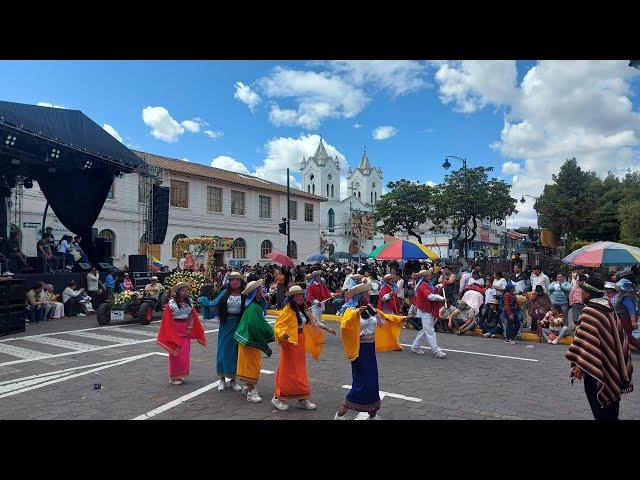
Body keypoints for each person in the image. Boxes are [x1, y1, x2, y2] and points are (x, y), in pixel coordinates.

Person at [565, 277, 633, 420]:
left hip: (594, 367)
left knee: (599, 408)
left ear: (588, 293)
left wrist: (580, 365)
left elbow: (586, 343)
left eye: (583, 290)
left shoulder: (590, 311)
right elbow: (615, 338)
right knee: (611, 406)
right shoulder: (608, 307)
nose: (581, 292)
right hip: (611, 364)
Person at [334, 283, 399, 420]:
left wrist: (396, 319)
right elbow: (345, 326)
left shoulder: (370, 309)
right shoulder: (350, 310)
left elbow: (382, 323)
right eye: (366, 294)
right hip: (359, 349)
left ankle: (372, 412)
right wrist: (356, 313)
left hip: (370, 348)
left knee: (372, 380)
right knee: (361, 381)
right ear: (360, 297)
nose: (369, 296)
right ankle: (341, 412)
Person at [272, 285, 336, 411]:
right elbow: (278, 326)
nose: (300, 297)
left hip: (300, 342)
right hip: (290, 343)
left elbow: (313, 321)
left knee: (300, 370)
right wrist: (282, 334)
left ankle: (302, 398)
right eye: (297, 295)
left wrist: (326, 328)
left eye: (301, 295)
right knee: (287, 371)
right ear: (292, 298)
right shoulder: (287, 310)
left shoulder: (303, 309)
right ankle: (278, 398)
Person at [233, 279, 275, 403]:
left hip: (246, 340)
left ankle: (247, 386)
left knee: (249, 364)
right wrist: (272, 334)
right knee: (252, 366)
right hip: (250, 341)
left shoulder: (252, 306)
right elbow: (256, 326)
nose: (263, 291)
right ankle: (251, 391)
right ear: (255, 293)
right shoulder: (254, 308)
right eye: (260, 290)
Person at [157, 282, 207, 385]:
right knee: (175, 354)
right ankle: (174, 376)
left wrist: (190, 327)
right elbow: (167, 318)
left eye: (186, 291)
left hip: (185, 329)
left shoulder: (189, 302)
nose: (185, 293)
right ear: (178, 292)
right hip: (174, 328)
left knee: (184, 354)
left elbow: (192, 315)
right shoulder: (171, 303)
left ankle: (181, 375)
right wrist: (171, 331)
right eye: (183, 291)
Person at [207, 271, 246, 392]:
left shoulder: (245, 294)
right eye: (232, 280)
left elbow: (252, 307)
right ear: (229, 282)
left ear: (241, 282)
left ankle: (234, 380)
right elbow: (214, 304)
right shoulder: (224, 293)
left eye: (237, 280)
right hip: (225, 325)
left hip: (239, 325)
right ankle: (222, 379)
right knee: (223, 350)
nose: (235, 282)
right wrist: (205, 301)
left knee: (236, 352)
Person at [411, 269, 447, 358]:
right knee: (430, 331)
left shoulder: (426, 284)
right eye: (429, 275)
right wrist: (441, 298)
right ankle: (436, 351)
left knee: (426, 330)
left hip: (427, 309)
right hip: (425, 310)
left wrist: (439, 286)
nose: (431, 276)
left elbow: (433, 290)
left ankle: (415, 346)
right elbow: (430, 296)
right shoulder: (423, 286)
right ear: (424, 277)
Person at [612, 278, 640, 349]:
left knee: (627, 335)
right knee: (625, 335)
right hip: (624, 318)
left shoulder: (626, 296)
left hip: (626, 318)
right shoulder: (624, 295)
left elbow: (631, 309)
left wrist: (633, 321)